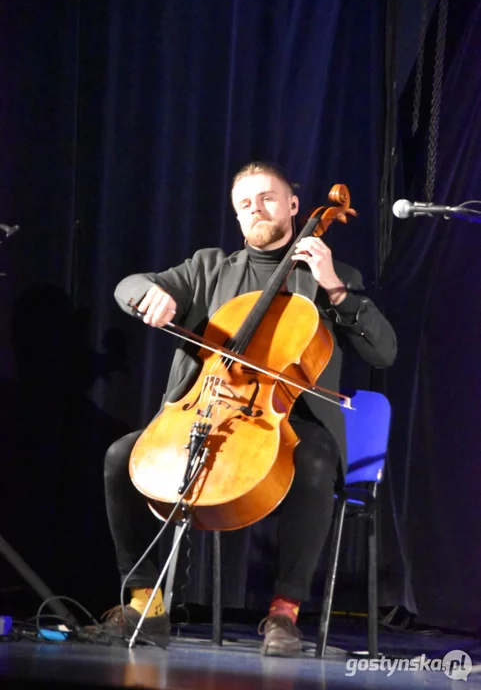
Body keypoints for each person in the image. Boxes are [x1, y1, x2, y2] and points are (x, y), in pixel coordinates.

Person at [80, 162, 397, 656]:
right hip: (208, 411)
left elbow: (384, 352)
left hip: (290, 420)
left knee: (314, 461)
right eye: (245, 204)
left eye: (268, 199)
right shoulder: (208, 269)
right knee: (122, 456)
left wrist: (335, 286)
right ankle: (146, 602)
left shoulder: (329, 279)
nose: (257, 210)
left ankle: (284, 614)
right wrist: (152, 295)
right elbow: (128, 286)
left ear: (293, 205)